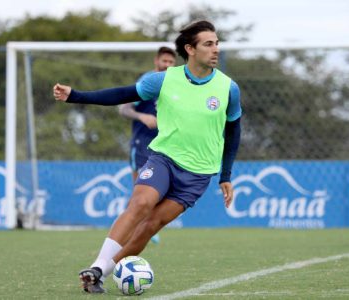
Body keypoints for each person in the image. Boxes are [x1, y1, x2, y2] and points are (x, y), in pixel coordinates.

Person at [53, 20, 242, 293]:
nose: (216, 49)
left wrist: (225, 175)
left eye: (217, 43)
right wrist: (76, 96)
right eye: (209, 44)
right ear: (190, 49)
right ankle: (96, 265)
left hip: (199, 174)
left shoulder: (228, 88)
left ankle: (100, 274)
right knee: (141, 204)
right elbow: (121, 94)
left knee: (150, 225)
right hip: (163, 158)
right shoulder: (164, 79)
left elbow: (234, 130)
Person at [119, 46, 177, 244]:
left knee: (154, 191)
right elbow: (123, 109)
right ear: (156, 61)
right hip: (142, 142)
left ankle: (137, 228)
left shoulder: (176, 84)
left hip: (164, 145)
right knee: (141, 190)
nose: (167, 65)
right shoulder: (146, 82)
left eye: (171, 63)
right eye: (164, 61)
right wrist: (142, 116)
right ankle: (126, 233)